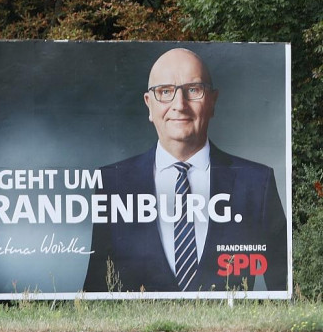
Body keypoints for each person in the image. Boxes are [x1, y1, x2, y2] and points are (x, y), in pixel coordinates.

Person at [83, 48, 287, 293]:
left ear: (212, 101)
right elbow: (95, 292)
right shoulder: (112, 182)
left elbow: (285, 290)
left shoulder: (257, 183)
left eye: (193, 90)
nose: (179, 105)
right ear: (149, 105)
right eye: (165, 92)